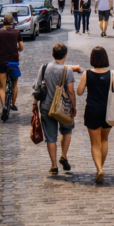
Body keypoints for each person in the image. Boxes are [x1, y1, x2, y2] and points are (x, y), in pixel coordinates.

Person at [33, 42, 80, 175]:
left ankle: (53, 165)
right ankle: (63, 155)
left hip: (47, 107)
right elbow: (71, 91)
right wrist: (73, 107)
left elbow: (37, 88)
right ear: (65, 56)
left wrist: (33, 104)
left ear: (52, 54)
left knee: (51, 137)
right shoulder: (67, 70)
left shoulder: (43, 68)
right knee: (67, 130)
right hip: (64, 108)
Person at [77, 45, 114, 184]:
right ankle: (100, 167)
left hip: (92, 110)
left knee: (95, 143)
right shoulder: (112, 74)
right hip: (107, 111)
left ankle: (99, 169)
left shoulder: (87, 74)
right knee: (104, 140)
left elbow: (79, 92)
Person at [0, 13, 24, 121]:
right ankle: (13, 103)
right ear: (12, 23)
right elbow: (21, 47)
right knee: (15, 84)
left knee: (1, 87)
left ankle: (4, 106)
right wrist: (17, 49)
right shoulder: (17, 32)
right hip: (13, 61)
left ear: (3, 22)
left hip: (1, 61)